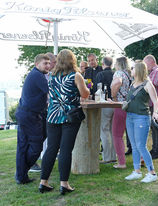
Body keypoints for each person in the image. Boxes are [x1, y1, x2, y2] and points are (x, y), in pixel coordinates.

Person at [39, 49, 89, 195]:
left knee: (51, 149)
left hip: (52, 116)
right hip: (69, 116)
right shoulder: (76, 75)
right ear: (72, 60)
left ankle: (43, 182)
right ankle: (64, 184)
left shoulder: (51, 75)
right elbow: (85, 94)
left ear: (58, 60)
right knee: (66, 150)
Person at [15, 54, 50, 184]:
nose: (48, 65)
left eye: (48, 63)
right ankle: (22, 172)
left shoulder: (35, 74)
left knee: (23, 146)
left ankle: (21, 176)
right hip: (30, 116)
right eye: (44, 63)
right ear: (37, 64)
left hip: (25, 114)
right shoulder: (37, 75)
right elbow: (51, 91)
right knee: (36, 146)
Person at [124, 60, 158, 183]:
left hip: (141, 117)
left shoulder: (148, 84)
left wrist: (155, 112)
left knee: (141, 146)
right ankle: (137, 171)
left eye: (133, 68)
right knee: (134, 146)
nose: (131, 70)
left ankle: (152, 173)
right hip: (130, 117)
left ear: (138, 70)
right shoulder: (132, 83)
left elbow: (156, 101)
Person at [30, 52, 57, 173]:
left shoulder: (48, 74)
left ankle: (41, 158)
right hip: (37, 111)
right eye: (52, 63)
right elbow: (49, 92)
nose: (54, 65)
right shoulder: (40, 76)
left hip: (44, 110)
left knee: (45, 135)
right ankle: (32, 162)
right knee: (38, 138)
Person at [143, 54, 158, 159]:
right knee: (154, 127)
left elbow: (151, 85)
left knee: (156, 127)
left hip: (157, 103)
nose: (145, 66)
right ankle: (155, 149)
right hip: (153, 103)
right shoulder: (153, 72)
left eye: (145, 63)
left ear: (151, 62)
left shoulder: (157, 71)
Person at [111, 56, 131, 169]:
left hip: (120, 105)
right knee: (132, 135)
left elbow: (117, 83)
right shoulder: (129, 74)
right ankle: (142, 159)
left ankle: (121, 162)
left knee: (117, 134)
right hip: (129, 105)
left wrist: (114, 97)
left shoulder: (118, 73)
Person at [96, 57, 116, 164]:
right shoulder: (116, 74)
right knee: (113, 130)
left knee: (104, 130)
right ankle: (113, 155)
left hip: (105, 103)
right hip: (116, 104)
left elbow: (97, 90)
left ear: (103, 63)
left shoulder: (100, 74)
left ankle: (107, 157)